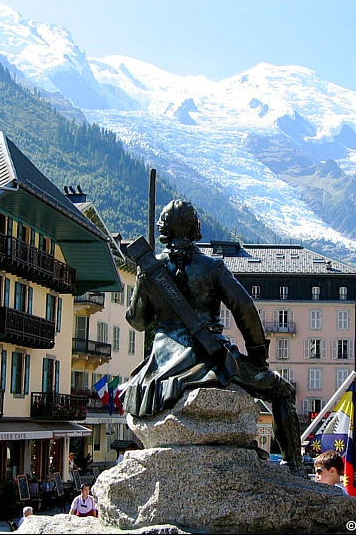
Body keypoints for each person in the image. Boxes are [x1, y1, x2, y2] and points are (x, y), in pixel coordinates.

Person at [120, 200, 304, 477]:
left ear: (163, 231)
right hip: (209, 356)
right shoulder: (212, 267)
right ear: (196, 230)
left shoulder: (149, 268)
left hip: (162, 361)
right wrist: (257, 356)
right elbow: (245, 310)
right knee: (282, 391)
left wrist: (143, 282)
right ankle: (295, 468)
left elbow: (138, 321)